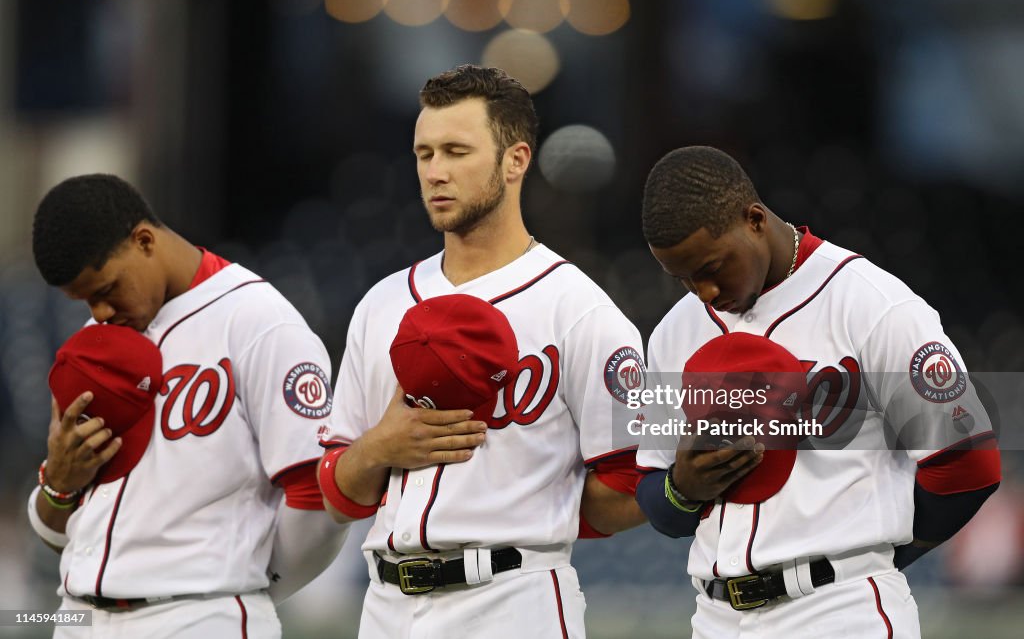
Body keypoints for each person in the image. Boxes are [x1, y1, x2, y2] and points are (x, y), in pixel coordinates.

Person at [318, 64, 648, 638]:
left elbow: (633, 480)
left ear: (515, 160)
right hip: (386, 607)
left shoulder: (582, 310)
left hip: (511, 601)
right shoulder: (381, 303)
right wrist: (378, 448)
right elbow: (337, 496)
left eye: (456, 151)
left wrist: (538, 510)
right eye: (424, 154)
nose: (435, 172)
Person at [635, 146, 1001, 638]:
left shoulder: (872, 304)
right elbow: (654, 497)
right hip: (717, 617)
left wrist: (882, 557)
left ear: (755, 220)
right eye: (681, 278)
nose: (702, 290)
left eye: (712, 267)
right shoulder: (673, 333)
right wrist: (682, 490)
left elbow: (967, 465)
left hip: (840, 611)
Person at [28, 174, 348, 638]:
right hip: (78, 616)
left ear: (144, 240)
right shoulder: (100, 343)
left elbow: (315, 495)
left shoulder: (259, 322)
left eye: (106, 290)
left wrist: (248, 590)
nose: (97, 313)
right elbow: (55, 533)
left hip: (196, 619)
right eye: (85, 301)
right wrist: (59, 484)